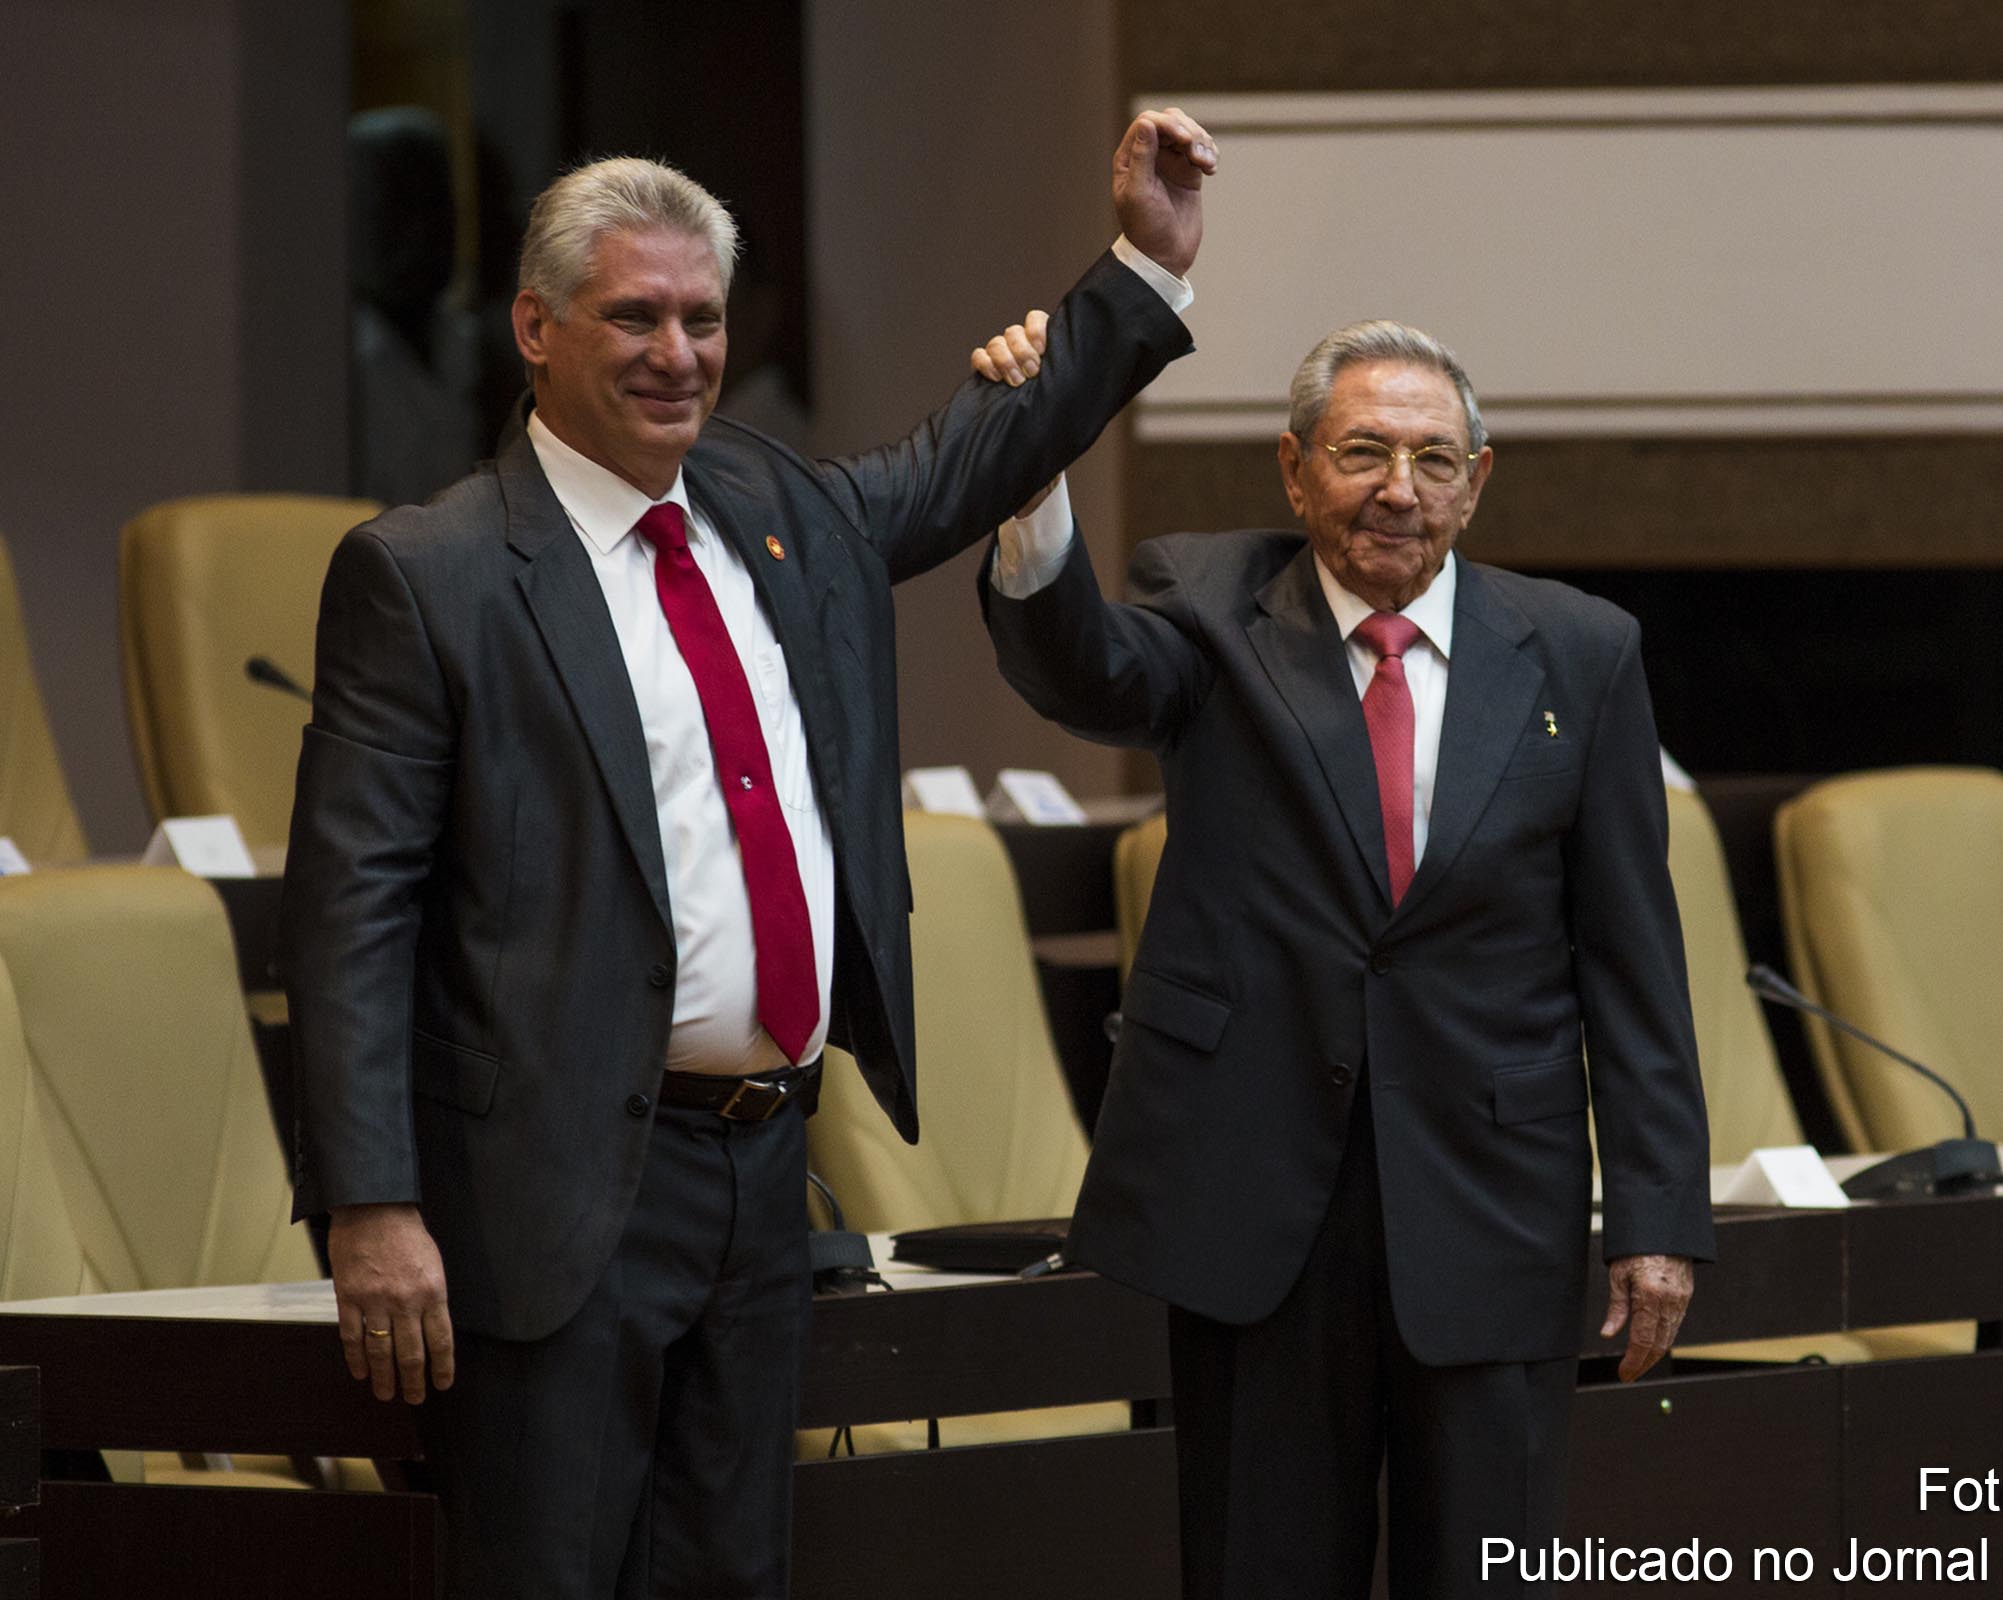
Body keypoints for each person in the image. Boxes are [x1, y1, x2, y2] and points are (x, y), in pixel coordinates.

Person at [280, 109, 1213, 1598]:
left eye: (703, 319)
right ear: (535, 327)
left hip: (762, 1165)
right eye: (634, 317)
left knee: (734, 1574)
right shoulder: (431, 573)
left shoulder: (776, 510)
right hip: (553, 1190)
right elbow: (350, 914)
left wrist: (1141, 270)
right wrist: (373, 1205)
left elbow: (971, 458)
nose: (678, 355)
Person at [972, 317, 1714, 1598]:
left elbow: (1632, 956)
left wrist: (1656, 1215)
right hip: (1260, 1206)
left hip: (1493, 1203)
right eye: (1363, 450)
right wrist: (1032, 476)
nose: (1398, 489)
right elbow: (1082, 667)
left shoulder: (1583, 654)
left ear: (1479, 482)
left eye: (1434, 458)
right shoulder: (1208, 607)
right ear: (1295, 469)